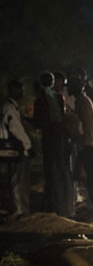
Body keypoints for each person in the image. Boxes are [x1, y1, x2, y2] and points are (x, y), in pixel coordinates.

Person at [31, 72, 73, 217]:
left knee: (50, 172)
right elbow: (61, 118)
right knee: (63, 171)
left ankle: (51, 206)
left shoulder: (40, 101)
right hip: (60, 138)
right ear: (53, 82)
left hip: (48, 139)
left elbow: (38, 123)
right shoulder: (59, 98)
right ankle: (67, 206)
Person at [67, 76, 93, 212]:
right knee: (92, 175)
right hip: (89, 142)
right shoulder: (84, 100)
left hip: (86, 143)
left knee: (90, 176)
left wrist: (84, 142)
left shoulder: (81, 102)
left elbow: (84, 125)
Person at [2, 80, 32, 218]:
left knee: (17, 179)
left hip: (13, 148)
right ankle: (19, 210)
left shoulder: (10, 107)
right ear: (12, 90)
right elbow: (16, 129)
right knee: (18, 180)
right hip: (16, 148)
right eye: (19, 89)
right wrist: (27, 145)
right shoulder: (10, 108)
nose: (22, 92)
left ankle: (20, 209)